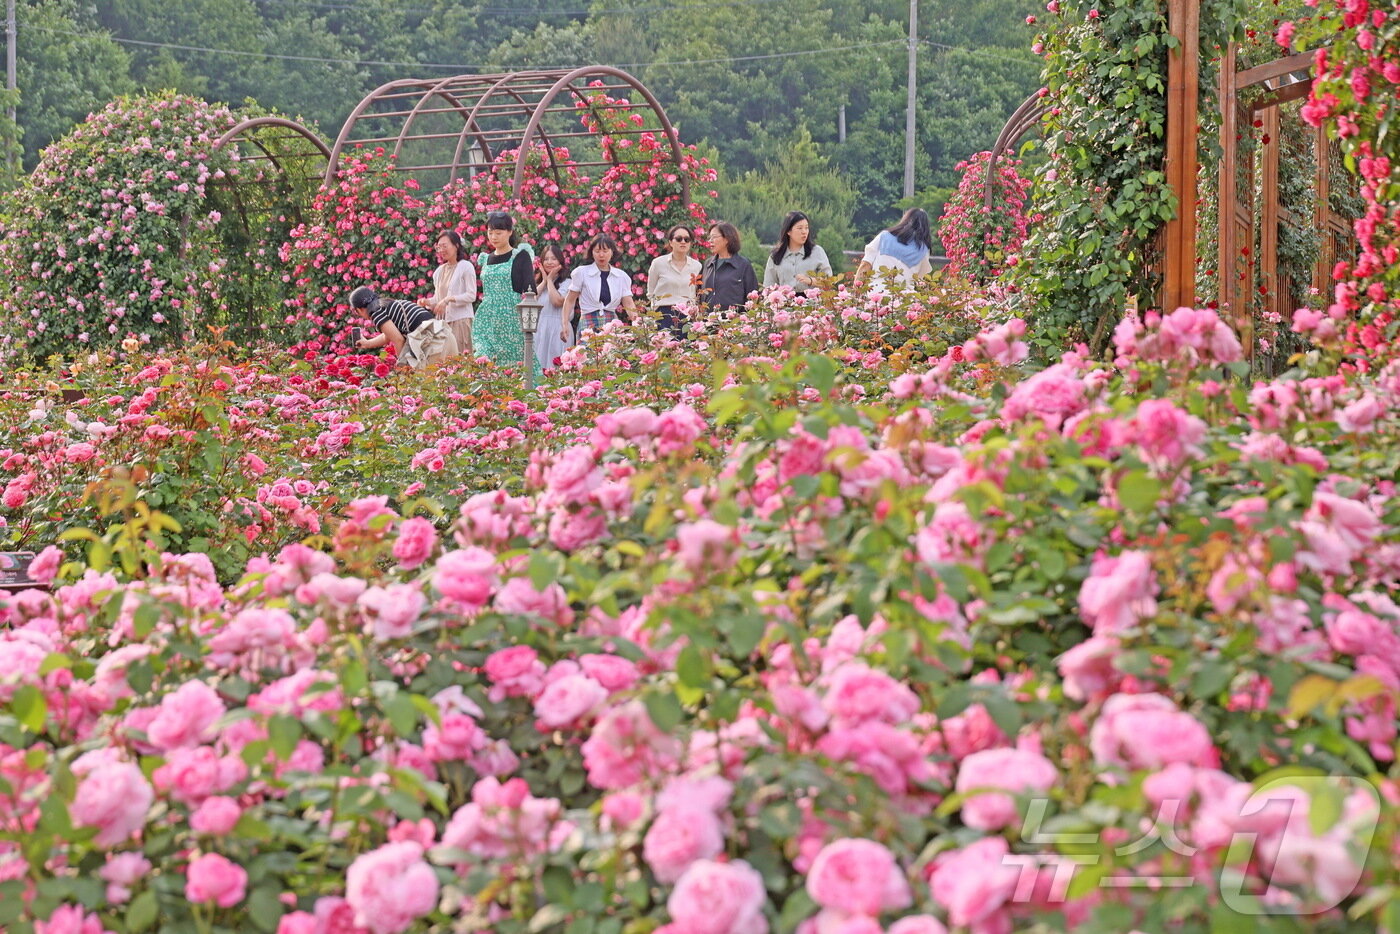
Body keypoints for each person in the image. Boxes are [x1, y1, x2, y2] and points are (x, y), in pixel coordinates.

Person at [472, 211, 535, 367]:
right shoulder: (485, 258)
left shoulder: (520, 256)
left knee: (515, 363)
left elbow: (530, 290)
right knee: (485, 359)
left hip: (511, 318)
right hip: (486, 319)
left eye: (498, 233)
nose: (493, 237)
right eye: (490, 232)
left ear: (510, 232)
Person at [349, 286, 458, 369]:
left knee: (427, 389)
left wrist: (402, 368)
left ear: (359, 309)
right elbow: (387, 336)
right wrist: (367, 343)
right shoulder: (388, 304)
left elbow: (398, 339)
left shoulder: (376, 313)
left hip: (433, 344)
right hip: (445, 335)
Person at [561, 234, 637, 339]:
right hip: (588, 324)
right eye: (597, 251)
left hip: (611, 325)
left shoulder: (621, 276)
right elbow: (570, 300)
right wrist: (564, 324)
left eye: (605, 251)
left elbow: (628, 302)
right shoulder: (582, 273)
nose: (601, 255)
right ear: (592, 253)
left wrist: (637, 323)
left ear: (612, 252)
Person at [852, 208, 934, 289]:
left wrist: (856, 292)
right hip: (905, 298)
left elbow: (866, 265)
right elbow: (918, 277)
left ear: (905, 219)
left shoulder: (884, 236)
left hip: (877, 292)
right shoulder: (924, 250)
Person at [428, 230, 476, 357]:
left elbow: (471, 295)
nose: (442, 250)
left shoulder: (466, 266)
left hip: (460, 322)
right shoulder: (439, 271)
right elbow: (438, 299)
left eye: (445, 246)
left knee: (460, 361)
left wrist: (448, 300)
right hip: (442, 324)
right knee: (442, 362)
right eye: (439, 247)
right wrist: (427, 302)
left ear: (456, 246)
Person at [646, 224, 701, 335]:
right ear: (671, 242)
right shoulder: (658, 263)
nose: (683, 242)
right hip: (664, 315)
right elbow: (651, 293)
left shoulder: (697, 266)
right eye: (679, 239)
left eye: (687, 239)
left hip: (687, 316)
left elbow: (696, 293)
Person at [762, 211, 832, 294]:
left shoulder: (817, 252)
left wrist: (810, 281)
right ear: (788, 231)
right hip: (784, 304)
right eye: (800, 228)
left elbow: (828, 281)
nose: (804, 232)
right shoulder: (776, 256)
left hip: (812, 304)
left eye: (806, 228)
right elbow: (768, 286)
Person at [700, 221, 758, 312]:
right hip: (708, 322)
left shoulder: (743, 265)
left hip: (733, 323)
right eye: (709, 237)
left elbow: (752, 298)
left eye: (714, 237)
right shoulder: (708, 264)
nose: (710, 241)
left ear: (727, 239)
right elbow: (700, 294)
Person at [533, 244, 571, 370]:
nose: (549, 262)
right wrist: (544, 281)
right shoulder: (538, 283)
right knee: (537, 366)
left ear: (560, 261)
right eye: (546, 259)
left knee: (556, 368)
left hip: (558, 329)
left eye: (553, 259)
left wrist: (549, 281)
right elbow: (530, 300)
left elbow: (557, 301)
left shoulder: (568, 283)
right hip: (540, 329)